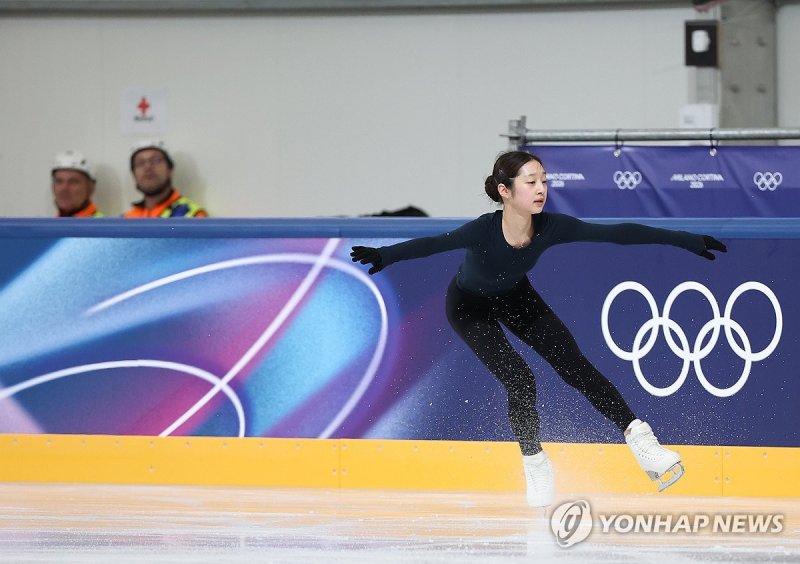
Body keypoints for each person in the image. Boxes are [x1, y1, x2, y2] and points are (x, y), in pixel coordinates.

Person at [351, 150, 727, 508]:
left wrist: (687, 241)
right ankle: (535, 462)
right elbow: (432, 243)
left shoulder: (550, 227)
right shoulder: (482, 231)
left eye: (544, 180)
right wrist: (385, 255)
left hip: (516, 297)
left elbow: (618, 233)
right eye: (531, 181)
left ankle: (642, 442)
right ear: (505, 190)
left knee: (575, 367)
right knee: (520, 379)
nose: (541, 188)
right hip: (469, 308)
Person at [123, 139, 208, 218]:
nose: (148, 167)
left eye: (156, 160)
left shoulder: (193, 216)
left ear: (170, 170)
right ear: (134, 175)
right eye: (140, 162)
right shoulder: (126, 220)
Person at [51, 150, 104, 217]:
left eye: (73, 182)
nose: (64, 188)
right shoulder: (48, 225)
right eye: (59, 181)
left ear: (91, 188)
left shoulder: (103, 226)